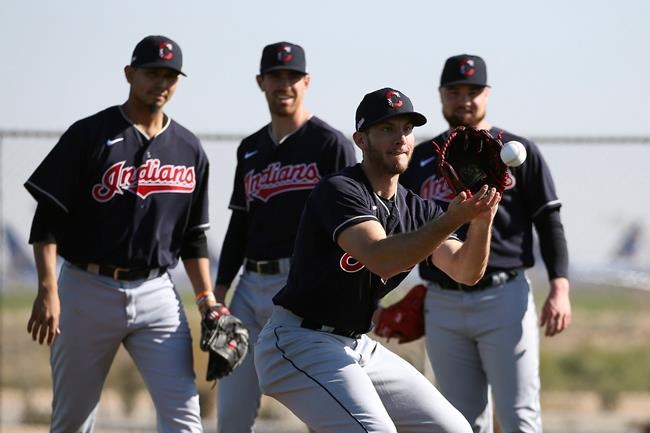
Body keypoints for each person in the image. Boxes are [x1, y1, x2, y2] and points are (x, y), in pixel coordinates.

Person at [254, 87, 501, 433]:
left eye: (406, 128)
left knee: (454, 429)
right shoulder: (340, 190)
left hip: (354, 344)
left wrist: (481, 220)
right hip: (297, 340)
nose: (400, 138)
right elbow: (380, 258)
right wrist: (451, 219)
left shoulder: (417, 208)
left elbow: (465, 271)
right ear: (361, 139)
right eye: (387, 128)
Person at [24, 35, 214, 433]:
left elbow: (194, 238)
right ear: (129, 74)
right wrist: (47, 289)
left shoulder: (189, 148)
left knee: (184, 417)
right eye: (151, 73)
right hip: (86, 287)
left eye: (169, 75)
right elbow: (47, 219)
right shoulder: (89, 135)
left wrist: (208, 301)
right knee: (73, 420)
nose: (160, 83)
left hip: (156, 292)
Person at [399, 54, 572, 433]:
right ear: (441, 95)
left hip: (504, 297)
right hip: (442, 299)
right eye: (455, 91)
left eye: (473, 91)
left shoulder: (516, 150)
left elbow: (549, 221)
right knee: (459, 423)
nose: (464, 99)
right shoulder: (422, 157)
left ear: (487, 94)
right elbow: (404, 227)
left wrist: (559, 286)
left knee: (518, 418)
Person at [213, 41, 356, 433]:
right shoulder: (250, 149)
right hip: (249, 286)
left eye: (293, 77)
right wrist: (219, 293)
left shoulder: (331, 145)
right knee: (231, 413)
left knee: (323, 407)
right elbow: (239, 225)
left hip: (303, 285)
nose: (284, 84)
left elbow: (355, 226)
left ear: (306, 82)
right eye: (276, 76)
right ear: (261, 82)